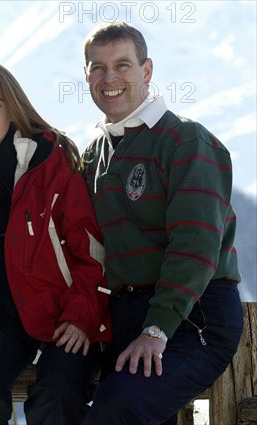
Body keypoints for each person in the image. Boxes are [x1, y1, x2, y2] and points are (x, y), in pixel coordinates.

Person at [80, 22, 243, 425]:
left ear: (147, 71)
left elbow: (195, 244)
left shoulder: (186, 139)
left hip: (193, 315)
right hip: (127, 311)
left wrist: (157, 329)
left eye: (122, 65)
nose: (109, 78)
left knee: (118, 406)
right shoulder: (93, 154)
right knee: (63, 392)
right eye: (97, 68)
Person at [0, 59, 110, 425]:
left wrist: (80, 317)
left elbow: (91, 252)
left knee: (57, 396)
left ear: (13, 110)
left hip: (62, 312)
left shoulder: (50, 164)